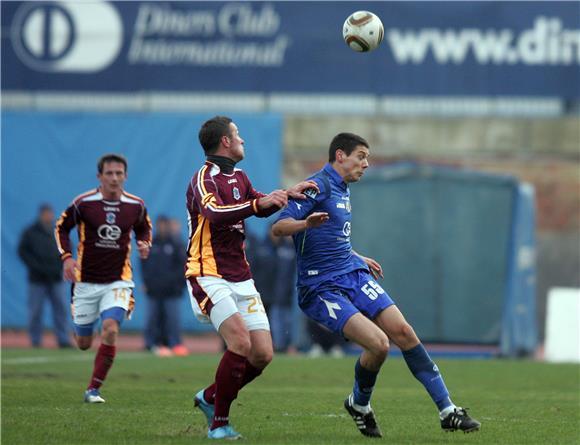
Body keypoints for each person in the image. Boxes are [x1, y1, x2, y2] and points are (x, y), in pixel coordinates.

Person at [272, 133, 481, 437]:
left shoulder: (342, 188)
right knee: (379, 344)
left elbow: (332, 237)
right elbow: (278, 227)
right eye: (361, 156)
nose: (366, 164)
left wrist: (356, 255)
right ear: (340, 155)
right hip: (321, 288)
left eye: (367, 158)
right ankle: (359, 404)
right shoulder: (317, 186)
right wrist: (304, 224)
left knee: (404, 333)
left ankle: (448, 410)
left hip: (352, 273)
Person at [186, 115, 317, 440]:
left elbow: (258, 205)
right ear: (225, 142)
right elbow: (215, 214)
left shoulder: (240, 177)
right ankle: (219, 423)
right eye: (238, 135)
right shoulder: (203, 178)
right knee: (240, 343)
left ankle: (210, 396)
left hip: (240, 274)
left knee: (263, 353)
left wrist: (287, 193)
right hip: (207, 271)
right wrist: (259, 202)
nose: (243, 140)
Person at [55, 153, 152, 404]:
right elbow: (61, 228)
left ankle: (93, 390)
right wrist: (67, 257)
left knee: (110, 329)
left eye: (119, 173)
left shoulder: (135, 205)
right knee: (84, 343)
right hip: (85, 282)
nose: (114, 178)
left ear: (126, 176)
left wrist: (144, 243)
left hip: (119, 280)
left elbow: (144, 226)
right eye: (109, 173)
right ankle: (85, 325)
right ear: (99, 176)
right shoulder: (83, 203)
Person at [18, 204, 71, 348]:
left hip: (55, 278)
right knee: (35, 311)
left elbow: (67, 251)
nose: (48, 216)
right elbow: (23, 252)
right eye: (45, 213)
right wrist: (36, 267)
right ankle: (35, 340)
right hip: (37, 278)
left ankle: (63, 339)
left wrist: (60, 267)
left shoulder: (59, 231)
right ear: (41, 214)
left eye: (50, 213)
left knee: (60, 309)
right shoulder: (30, 232)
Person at [141, 215, 188, 357]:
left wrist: (178, 285)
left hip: (171, 290)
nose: (161, 227)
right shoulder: (151, 243)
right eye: (159, 225)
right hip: (154, 289)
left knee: (172, 319)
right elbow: (144, 265)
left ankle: (174, 344)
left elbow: (182, 267)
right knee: (152, 318)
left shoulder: (176, 244)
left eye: (164, 224)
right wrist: (146, 282)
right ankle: (151, 344)